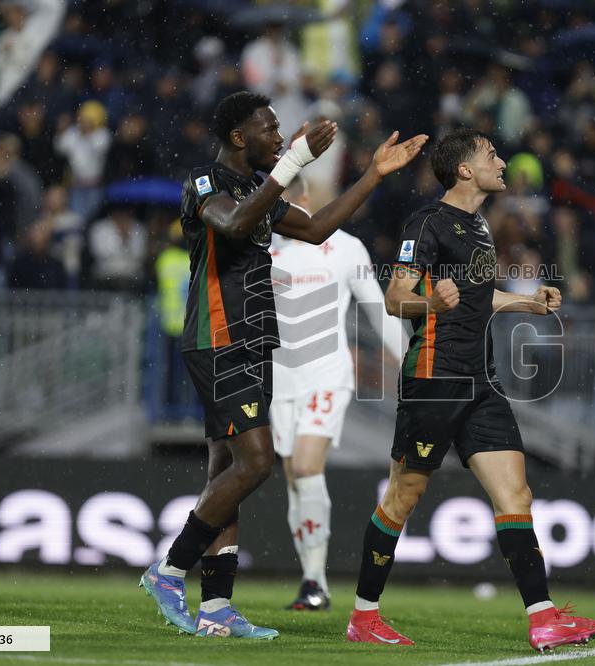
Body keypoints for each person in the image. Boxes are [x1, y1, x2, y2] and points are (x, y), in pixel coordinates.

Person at [139, 91, 427, 640]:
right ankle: (170, 568)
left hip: (252, 341)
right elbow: (232, 225)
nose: (280, 137)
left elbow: (318, 230)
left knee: (226, 470)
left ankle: (217, 608)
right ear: (239, 137)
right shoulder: (207, 183)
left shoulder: (259, 191)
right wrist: (294, 161)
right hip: (216, 337)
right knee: (257, 463)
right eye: (270, 130)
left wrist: (372, 176)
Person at [344, 128, 595, 651]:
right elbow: (396, 298)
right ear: (464, 170)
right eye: (490, 154)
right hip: (434, 377)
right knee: (404, 494)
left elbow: (476, 296)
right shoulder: (425, 224)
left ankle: (542, 618)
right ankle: (364, 615)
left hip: (482, 381)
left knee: (516, 494)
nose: (500, 160)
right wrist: (433, 305)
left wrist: (525, 303)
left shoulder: (480, 227)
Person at [269, 178, 408, 611]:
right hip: (278, 381)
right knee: (295, 478)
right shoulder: (265, 250)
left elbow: (378, 308)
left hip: (327, 375)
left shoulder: (346, 247)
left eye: (290, 194)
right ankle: (314, 580)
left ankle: (314, 583)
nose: (282, 204)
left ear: (306, 197)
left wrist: (410, 361)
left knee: (308, 467)